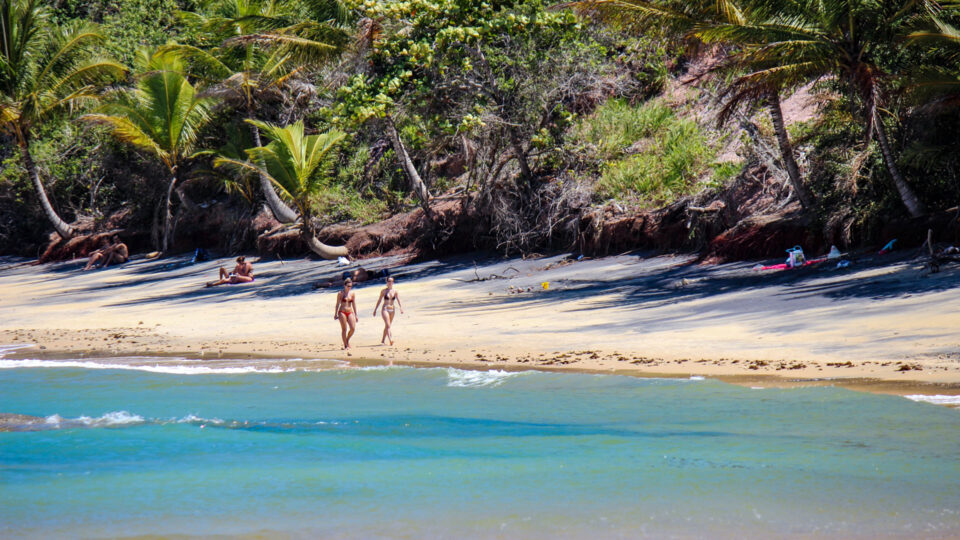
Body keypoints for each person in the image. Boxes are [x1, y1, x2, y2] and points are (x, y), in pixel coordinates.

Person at [372, 277, 403, 346]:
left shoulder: (395, 291)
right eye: (389, 281)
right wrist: (375, 310)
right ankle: (390, 340)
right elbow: (379, 300)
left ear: (393, 282)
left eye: (392, 281)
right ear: (386, 282)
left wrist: (401, 308)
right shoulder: (383, 291)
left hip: (392, 309)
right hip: (385, 309)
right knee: (388, 325)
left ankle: (383, 340)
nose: (390, 282)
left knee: (387, 325)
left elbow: (398, 299)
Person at [334, 278, 358, 351]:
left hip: (350, 311)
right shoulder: (340, 293)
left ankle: (347, 340)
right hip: (342, 312)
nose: (349, 287)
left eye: (350, 286)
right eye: (348, 286)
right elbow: (337, 304)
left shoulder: (352, 293)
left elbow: (354, 304)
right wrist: (335, 314)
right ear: (344, 285)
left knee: (353, 328)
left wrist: (356, 315)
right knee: (344, 329)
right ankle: (345, 345)